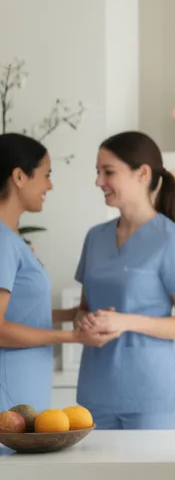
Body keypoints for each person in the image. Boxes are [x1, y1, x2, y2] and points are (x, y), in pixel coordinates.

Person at [72, 131, 175, 429]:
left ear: (142, 173)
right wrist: (84, 320)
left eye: (108, 172)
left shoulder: (172, 240)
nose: (98, 181)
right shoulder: (95, 237)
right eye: (98, 172)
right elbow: (84, 308)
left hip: (152, 396)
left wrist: (126, 321)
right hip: (95, 395)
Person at [0, 134, 89, 415]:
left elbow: (18, 312)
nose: (49, 185)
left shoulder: (11, 240)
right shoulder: (2, 241)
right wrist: (72, 337)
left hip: (21, 388)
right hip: (9, 392)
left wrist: (69, 314)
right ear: (19, 176)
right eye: (46, 175)